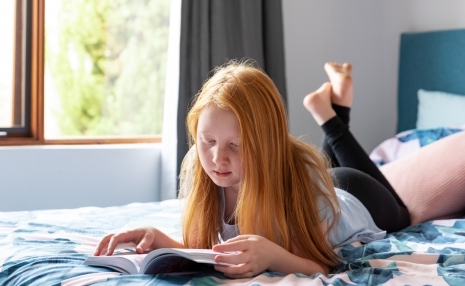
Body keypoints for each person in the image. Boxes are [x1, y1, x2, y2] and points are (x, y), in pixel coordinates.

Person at [93, 60, 412, 277]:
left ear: (266, 143)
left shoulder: (303, 180)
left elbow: (319, 265)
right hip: (320, 187)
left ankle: (330, 118)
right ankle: (337, 102)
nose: (218, 159)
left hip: (356, 196)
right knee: (319, 168)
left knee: (404, 213)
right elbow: (203, 251)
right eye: (208, 141)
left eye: (236, 145)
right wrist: (159, 239)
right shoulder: (200, 169)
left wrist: (273, 255)